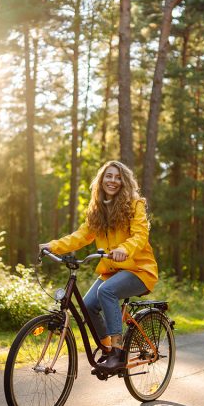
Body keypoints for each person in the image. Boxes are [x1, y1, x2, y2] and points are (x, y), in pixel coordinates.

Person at [39, 160, 158, 374]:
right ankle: (106, 347)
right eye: (108, 176)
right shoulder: (98, 210)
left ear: (124, 181)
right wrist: (53, 246)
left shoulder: (134, 204)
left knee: (107, 291)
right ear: (101, 180)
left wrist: (124, 248)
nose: (112, 181)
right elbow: (81, 236)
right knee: (88, 306)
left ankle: (117, 352)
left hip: (139, 270)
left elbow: (141, 235)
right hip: (112, 270)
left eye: (118, 177)